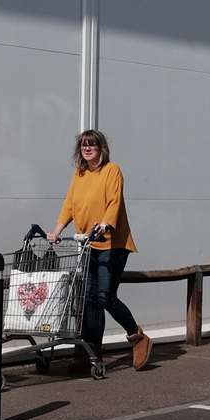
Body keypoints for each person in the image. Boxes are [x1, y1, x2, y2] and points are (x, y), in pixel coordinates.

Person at [51, 130, 151, 370]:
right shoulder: (80, 174)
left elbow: (114, 201)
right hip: (88, 243)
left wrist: (106, 222)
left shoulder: (111, 170)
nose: (88, 148)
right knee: (88, 299)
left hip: (111, 244)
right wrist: (56, 230)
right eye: (84, 145)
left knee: (104, 296)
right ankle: (90, 353)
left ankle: (138, 337)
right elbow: (69, 204)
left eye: (92, 145)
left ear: (101, 148)